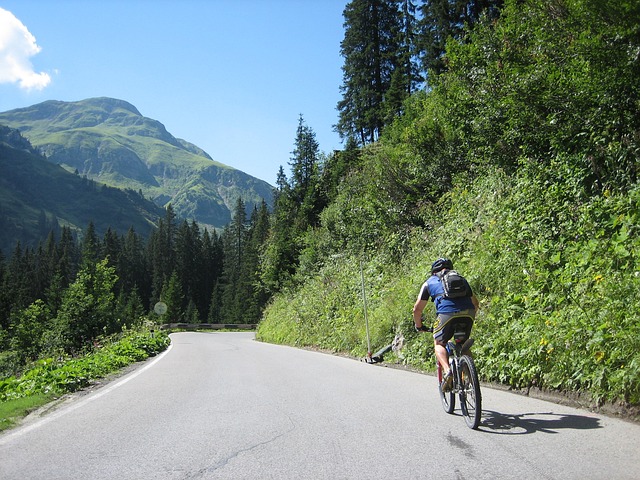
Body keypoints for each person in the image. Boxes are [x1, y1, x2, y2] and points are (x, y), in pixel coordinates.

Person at [413, 258, 479, 392]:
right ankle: (472, 380)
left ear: (433, 271)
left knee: (439, 343)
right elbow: (475, 303)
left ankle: (448, 371)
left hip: (446, 314)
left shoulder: (429, 282)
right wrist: (468, 316)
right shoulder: (461, 278)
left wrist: (419, 326)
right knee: (463, 343)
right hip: (468, 313)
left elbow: (417, 309)